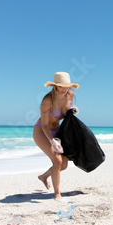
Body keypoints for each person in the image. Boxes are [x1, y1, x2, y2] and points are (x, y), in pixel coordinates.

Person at [33, 72, 79, 201]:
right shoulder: (48, 100)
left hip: (57, 131)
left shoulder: (70, 96)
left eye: (66, 86)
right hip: (42, 131)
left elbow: (66, 115)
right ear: (55, 86)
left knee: (63, 164)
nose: (64, 89)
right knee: (57, 161)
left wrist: (73, 111)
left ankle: (43, 176)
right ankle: (57, 193)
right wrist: (52, 140)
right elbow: (45, 125)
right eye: (60, 86)